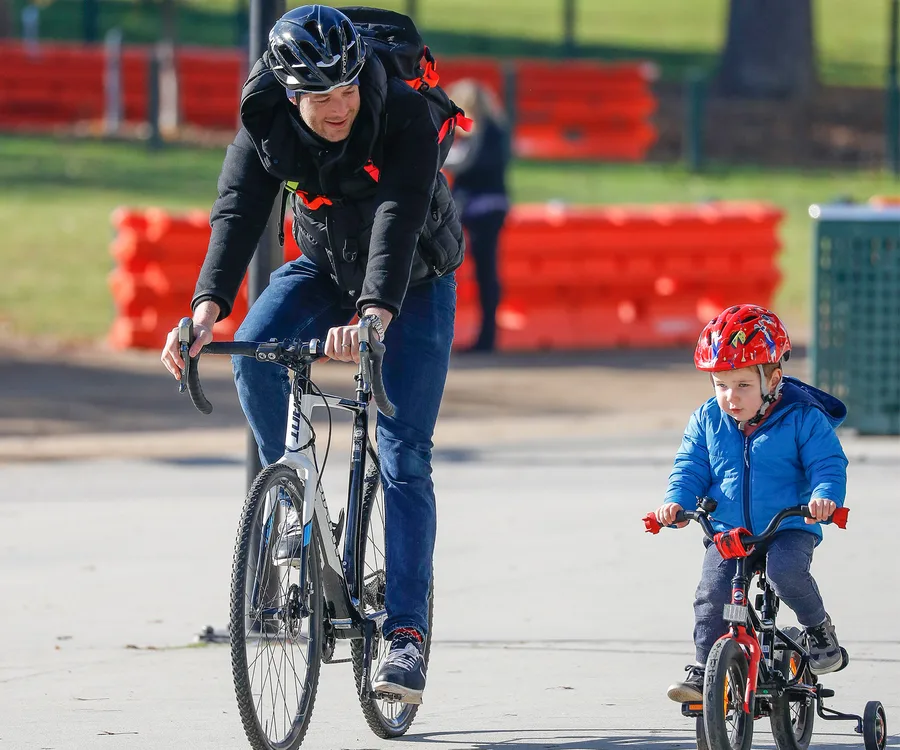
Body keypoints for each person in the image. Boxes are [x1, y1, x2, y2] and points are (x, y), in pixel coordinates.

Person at [159, 4, 465, 704]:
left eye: (348, 90)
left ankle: (406, 637)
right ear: (290, 92)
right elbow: (237, 210)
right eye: (320, 97)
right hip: (325, 267)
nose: (339, 108)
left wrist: (375, 317)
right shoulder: (266, 118)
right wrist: (207, 308)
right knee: (253, 352)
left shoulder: (404, 116)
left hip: (412, 280)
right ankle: (294, 493)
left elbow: (399, 216)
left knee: (403, 453)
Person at [653, 304, 849, 703]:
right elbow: (689, 466)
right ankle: (705, 667)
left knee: (785, 573)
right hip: (729, 530)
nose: (730, 397)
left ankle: (817, 629)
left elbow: (826, 462)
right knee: (712, 592)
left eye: (742, 385)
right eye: (720, 385)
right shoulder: (708, 419)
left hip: (787, 526)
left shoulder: (801, 417)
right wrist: (676, 502)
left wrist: (824, 497)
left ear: (773, 379)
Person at [442, 79, 510, 353]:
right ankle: (488, 334)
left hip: (477, 208)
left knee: (479, 271)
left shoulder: (482, 133)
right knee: (486, 271)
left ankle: (486, 336)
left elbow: (464, 163)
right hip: (493, 206)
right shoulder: (498, 130)